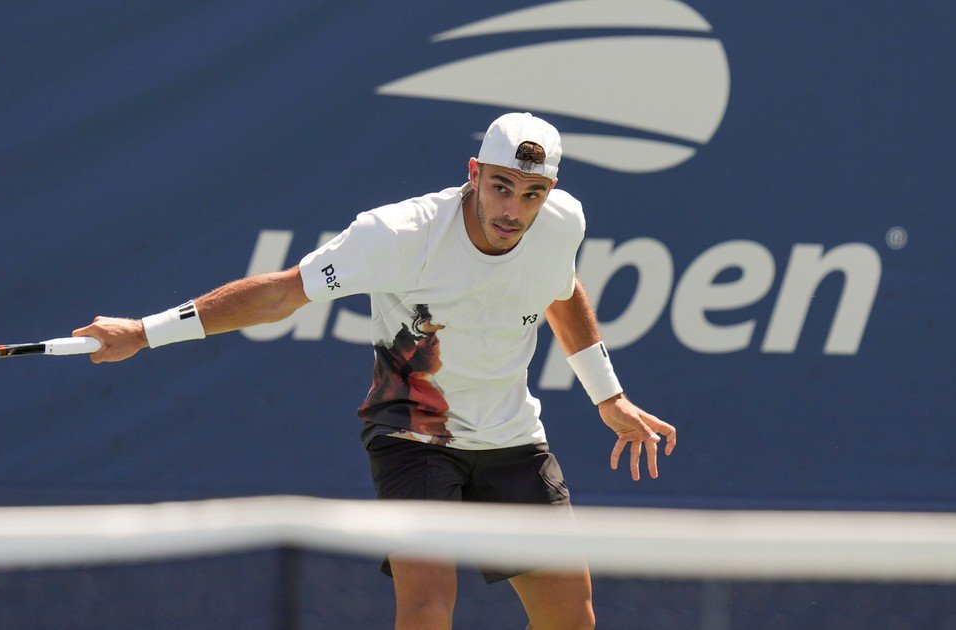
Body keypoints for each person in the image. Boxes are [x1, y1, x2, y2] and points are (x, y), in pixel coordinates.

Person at [73, 112, 677, 629]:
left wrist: (608, 396)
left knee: (572, 618)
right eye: (501, 186)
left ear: (551, 191)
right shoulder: (397, 235)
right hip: (414, 435)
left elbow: (559, 290)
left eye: (531, 194)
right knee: (427, 611)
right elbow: (280, 295)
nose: (513, 209)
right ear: (473, 173)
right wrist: (143, 332)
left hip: (512, 436)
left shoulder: (562, 224)